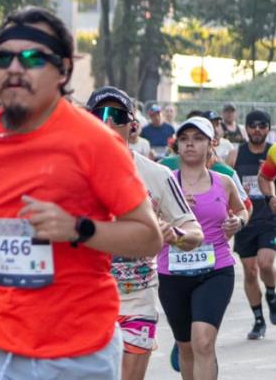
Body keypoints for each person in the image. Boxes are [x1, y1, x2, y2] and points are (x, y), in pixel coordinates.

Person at [0, 6, 163, 379]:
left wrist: (78, 229)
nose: (16, 68)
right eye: (4, 57)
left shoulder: (97, 142)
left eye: (34, 57)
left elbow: (148, 236)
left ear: (64, 69)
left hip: (79, 349)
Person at [86, 86, 204, 380]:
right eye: (99, 114)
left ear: (132, 125)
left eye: (116, 115)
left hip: (137, 294)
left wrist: (175, 233)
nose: (107, 122)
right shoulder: (69, 171)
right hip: (84, 295)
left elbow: (194, 232)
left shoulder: (158, 175)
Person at [159, 117, 246, 380]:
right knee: (186, 348)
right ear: (176, 146)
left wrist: (238, 222)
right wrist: (172, 208)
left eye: (198, 139)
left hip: (215, 269)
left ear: (212, 145)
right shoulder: (165, 182)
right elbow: (147, 217)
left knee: (203, 341)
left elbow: (241, 209)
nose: (190, 144)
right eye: (184, 139)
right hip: (172, 273)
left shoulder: (224, 181)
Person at [223, 109, 276, 339]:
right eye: (253, 125)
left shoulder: (272, 154)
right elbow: (224, 184)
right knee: (250, 271)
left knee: (265, 264)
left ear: (268, 129)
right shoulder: (235, 155)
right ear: (246, 128)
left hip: (269, 218)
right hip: (245, 220)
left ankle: (272, 295)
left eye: (262, 125)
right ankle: (258, 320)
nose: (257, 129)